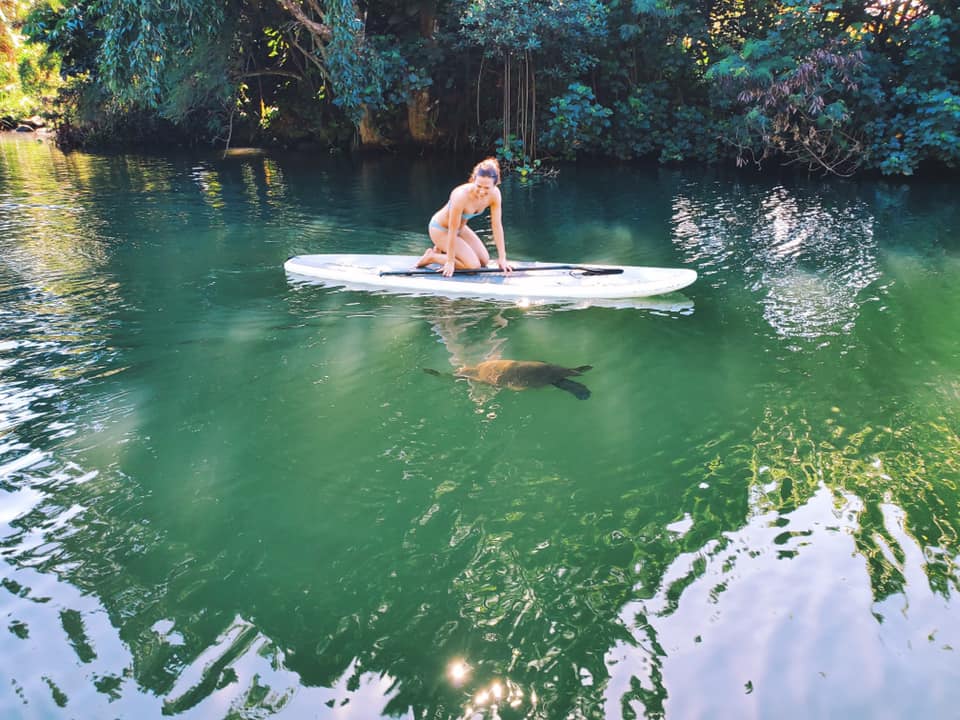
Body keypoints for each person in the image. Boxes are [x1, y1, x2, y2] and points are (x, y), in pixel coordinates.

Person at [417, 158, 514, 277]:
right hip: (441, 229)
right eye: (479, 186)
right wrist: (450, 261)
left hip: (460, 229)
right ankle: (432, 257)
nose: (482, 191)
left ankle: (441, 249)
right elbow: (452, 229)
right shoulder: (460, 195)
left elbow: (497, 225)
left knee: (484, 261)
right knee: (473, 267)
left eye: (487, 188)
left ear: (495, 184)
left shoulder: (495, 195)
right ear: (473, 180)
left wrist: (502, 258)